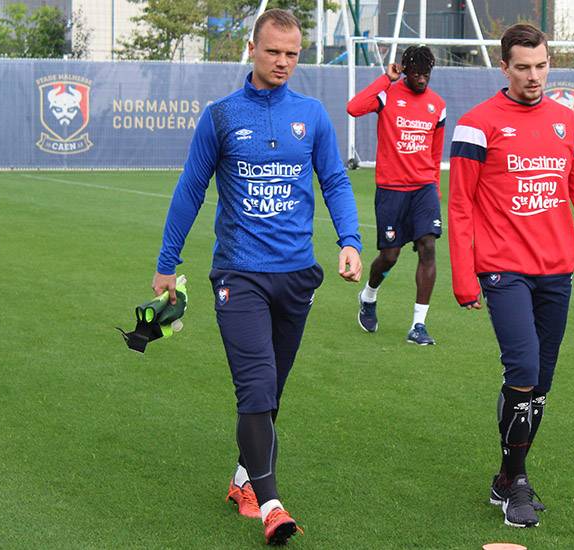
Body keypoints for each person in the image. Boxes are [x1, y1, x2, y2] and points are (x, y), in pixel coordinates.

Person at [152, 9, 362, 545]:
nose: (283, 62)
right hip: (238, 275)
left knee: (272, 393)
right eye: (273, 52)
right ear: (252, 48)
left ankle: (244, 478)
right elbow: (190, 190)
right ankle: (270, 504)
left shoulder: (312, 115)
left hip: (296, 276)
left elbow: (335, 180)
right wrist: (166, 263)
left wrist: (350, 241)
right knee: (256, 387)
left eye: (292, 54)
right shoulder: (221, 116)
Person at [448, 24, 574, 529]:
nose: (535, 76)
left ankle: (506, 477)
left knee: (540, 387)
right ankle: (519, 484)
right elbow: (461, 206)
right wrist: (463, 277)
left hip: (557, 272)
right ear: (504, 68)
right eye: (524, 67)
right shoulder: (476, 125)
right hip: (502, 269)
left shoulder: (567, 124)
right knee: (524, 372)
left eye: (542, 65)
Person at [346, 46, 446, 345]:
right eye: (415, 74)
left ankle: (418, 326)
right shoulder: (387, 94)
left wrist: (435, 190)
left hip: (423, 189)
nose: (421, 81)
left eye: (426, 75)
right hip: (391, 190)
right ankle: (369, 295)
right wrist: (385, 79)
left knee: (428, 246)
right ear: (404, 70)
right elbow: (353, 107)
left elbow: (435, 152)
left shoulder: (437, 105)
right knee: (390, 256)